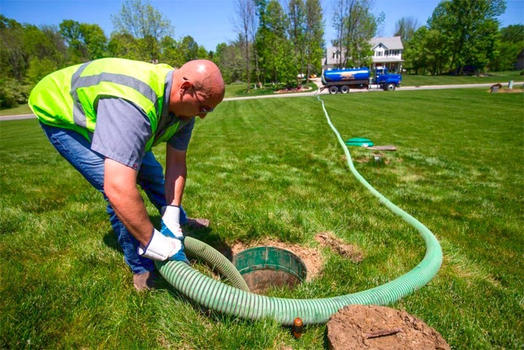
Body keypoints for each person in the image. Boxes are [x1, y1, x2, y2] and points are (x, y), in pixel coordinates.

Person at [28, 58, 225, 290]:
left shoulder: (185, 111)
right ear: (185, 88)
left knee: (151, 175)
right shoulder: (133, 103)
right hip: (66, 117)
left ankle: (180, 223)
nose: (203, 115)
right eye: (203, 107)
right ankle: (141, 268)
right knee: (116, 189)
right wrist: (152, 242)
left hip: (118, 115)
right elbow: (118, 189)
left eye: (209, 110)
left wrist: (171, 214)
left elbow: (176, 164)